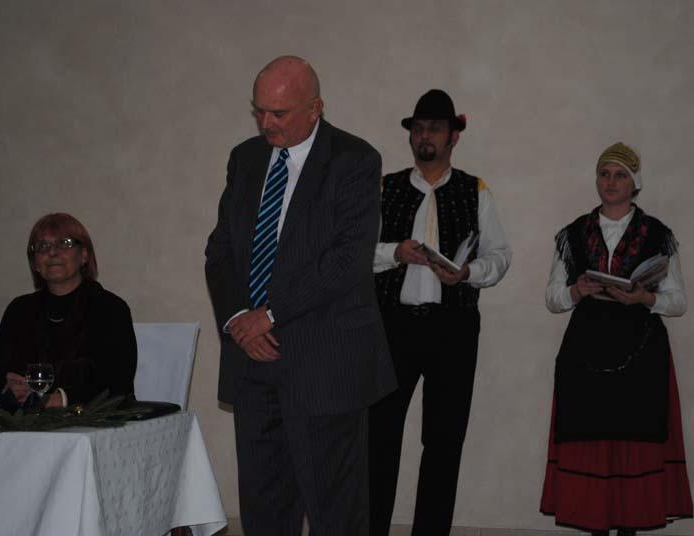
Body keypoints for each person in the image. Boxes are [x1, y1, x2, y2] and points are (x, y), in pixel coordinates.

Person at [204, 55, 396, 535]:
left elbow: (346, 261)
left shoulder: (355, 160)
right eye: (259, 111)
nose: (266, 123)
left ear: (315, 108)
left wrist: (269, 315)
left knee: (336, 514)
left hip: (325, 364)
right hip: (253, 364)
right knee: (264, 510)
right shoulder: (245, 159)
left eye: (279, 113)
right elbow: (221, 250)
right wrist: (238, 319)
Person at [369, 89, 511, 535]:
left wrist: (467, 273)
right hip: (391, 326)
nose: (424, 136)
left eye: (434, 128)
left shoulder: (475, 190)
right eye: (418, 128)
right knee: (378, 437)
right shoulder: (385, 187)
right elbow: (355, 252)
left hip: (454, 328)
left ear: (454, 136)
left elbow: (500, 256)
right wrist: (395, 252)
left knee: (444, 441)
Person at [539, 143, 693, 535]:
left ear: (634, 183)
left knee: (635, 444)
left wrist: (644, 298)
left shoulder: (658, 234)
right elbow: (553, 298)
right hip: (585, 352)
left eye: (620, 175)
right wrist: (578, 290)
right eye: (604, 174)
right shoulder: (573, 233)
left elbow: (678, 302)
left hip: (640, 354)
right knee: (589, 443)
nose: (610, 182)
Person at [0, 213, 137, 409]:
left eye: (65, 243)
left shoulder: (110, 309)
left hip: (91, 421)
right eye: (42, 246)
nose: (53, 252)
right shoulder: (19, 310)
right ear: (34, 263)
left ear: (84, 255)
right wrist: (9, 390)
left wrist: (61, 399)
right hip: (25, 421)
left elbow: (118, 385)